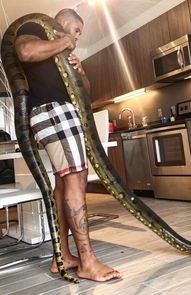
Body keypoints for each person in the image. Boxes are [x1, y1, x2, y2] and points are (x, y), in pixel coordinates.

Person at [15, 8, 121, 282]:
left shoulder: (59, 53)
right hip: (54, 111)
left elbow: (85, 92)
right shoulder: (36, 29)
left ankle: (61, 255)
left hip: (61, 113)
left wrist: (80, 71)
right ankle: (87, 261)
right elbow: (25, 52)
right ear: (64, 22)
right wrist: (64, 41)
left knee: (64, 184)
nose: (77, 37)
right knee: (76, 180)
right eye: (77, 30)